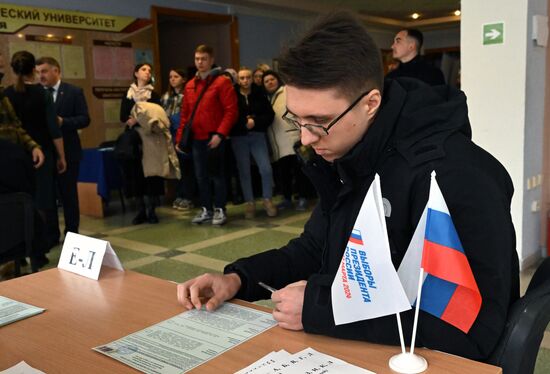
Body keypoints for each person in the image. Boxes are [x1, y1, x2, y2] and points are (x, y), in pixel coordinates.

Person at [177, 12, 519, 362]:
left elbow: (471, 328)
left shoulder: (456, 177)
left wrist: (321, 309)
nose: (307, 139)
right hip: (367, 346)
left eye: (321, 122)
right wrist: (238, 279)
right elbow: (316, 248)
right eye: (297, 120)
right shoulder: (353, 149)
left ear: (371, 103)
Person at [4, 50, 66, 264]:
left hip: (13, 158)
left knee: (16, 204)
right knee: (42, 202)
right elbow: (53, 129)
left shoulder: (7, 94)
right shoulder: (43, 94)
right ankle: (39, 250)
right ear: (33, 70)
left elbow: (14, 128)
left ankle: (17, 254)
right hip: (42, 154)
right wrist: (62, 156)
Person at [175, 45, 238, 226]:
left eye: (203, 59)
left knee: (217, 175)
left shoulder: (221, 82)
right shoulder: (189, 85)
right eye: (197, 59)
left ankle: (220, 208)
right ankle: (206, 209)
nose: (200, 62)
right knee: (200, 175)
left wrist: (220, 133)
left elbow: (230, 111)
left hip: (215, 137)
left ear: (211, 60)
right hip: (196, 138)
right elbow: (185, 115)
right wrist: (180, 139)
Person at [36, 56, 90, 238]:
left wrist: (63, 121)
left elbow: (84, 119)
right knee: (48, 197)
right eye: (37, 72)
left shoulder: (73, 92)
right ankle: (52, 234)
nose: (40, 76)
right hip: (46, 154)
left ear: (56, 71)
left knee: (69, 196)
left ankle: (72, 234)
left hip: (69, 152)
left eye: (44, 71)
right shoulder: (36, 93)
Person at [120, 63, 164, 224]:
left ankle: (152, 210)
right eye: (143, 70)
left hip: (150, 138)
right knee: (135, 174)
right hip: (133, 139)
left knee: (151, 174)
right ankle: (140, 210)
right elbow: (123, 116)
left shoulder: (154, 94)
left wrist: (138, 119)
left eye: (149, 70)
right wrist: (130, 120)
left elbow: (158, 114)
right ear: (136, 73)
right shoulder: (128, 94)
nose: (147, 72)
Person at [231, 67, 276, 219]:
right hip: (239, 136)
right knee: (244, 170)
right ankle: (249, 202)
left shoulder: (259, 93)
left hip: (257, 135)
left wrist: (255, 121)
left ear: (252, 78)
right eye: (242, 78)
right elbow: (229, 115)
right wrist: (244, 122)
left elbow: (270, 115)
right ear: (238, 79)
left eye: (248, 77)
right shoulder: (232, 94)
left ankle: (267, 199)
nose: (245, 80)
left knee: (266, 168)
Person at [263, 70, 308, 211]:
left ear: (277, 80)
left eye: (272, 79)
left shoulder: (287, 92)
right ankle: (287, 199)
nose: (270, 82)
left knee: (299, 172)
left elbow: (300, 111)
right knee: (284, 174)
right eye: (266, 81)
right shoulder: (266, 98)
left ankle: (302, 198)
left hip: (292, 139)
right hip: (277, 143)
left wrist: (302, 132)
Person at [161, 68, 195, 211]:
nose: (173, 79)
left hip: (185, 134)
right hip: (170, 135)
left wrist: (174, 120)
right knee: (177, 167)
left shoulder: (188, 95)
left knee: (187, 166)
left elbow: (187, 116)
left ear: (184, 79)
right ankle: (179, 194)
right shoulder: (166, 96)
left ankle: (188, 196)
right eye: (170, 77)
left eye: (176, 76)